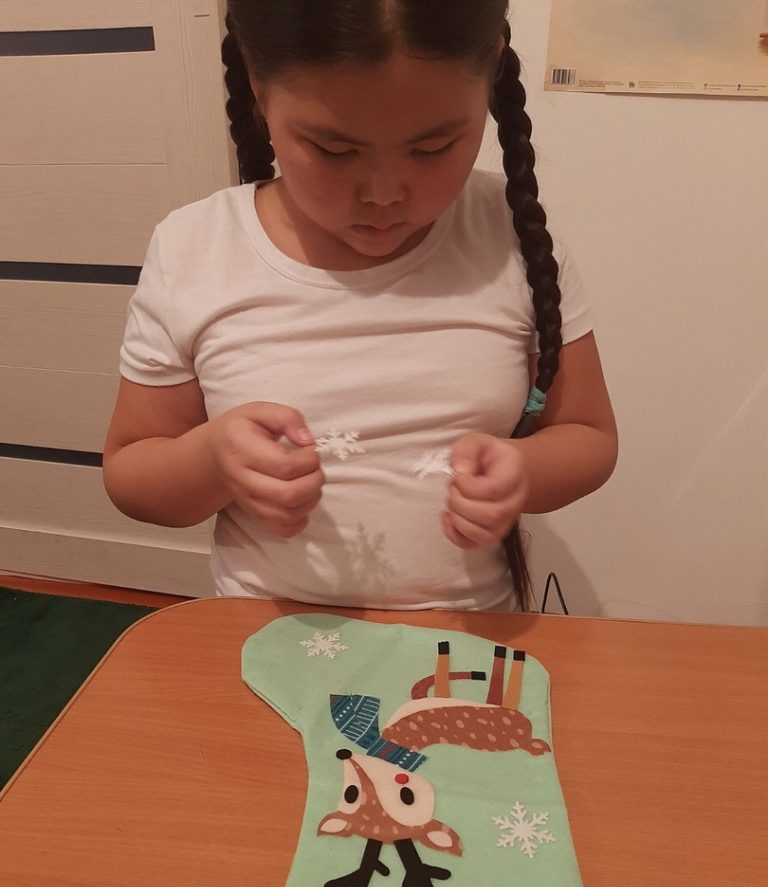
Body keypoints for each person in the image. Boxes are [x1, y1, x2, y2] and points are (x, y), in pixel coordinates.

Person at [103, 0, 618, 613]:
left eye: (433, 148)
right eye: (334, 150)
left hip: (463, 639)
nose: (383, 194)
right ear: (257, 84)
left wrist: (523, 471)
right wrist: (212, 460)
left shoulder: (509, 237)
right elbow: (132, 472)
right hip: (271, 638)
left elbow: (588, 436)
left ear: (492, 72)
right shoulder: (196, 248)